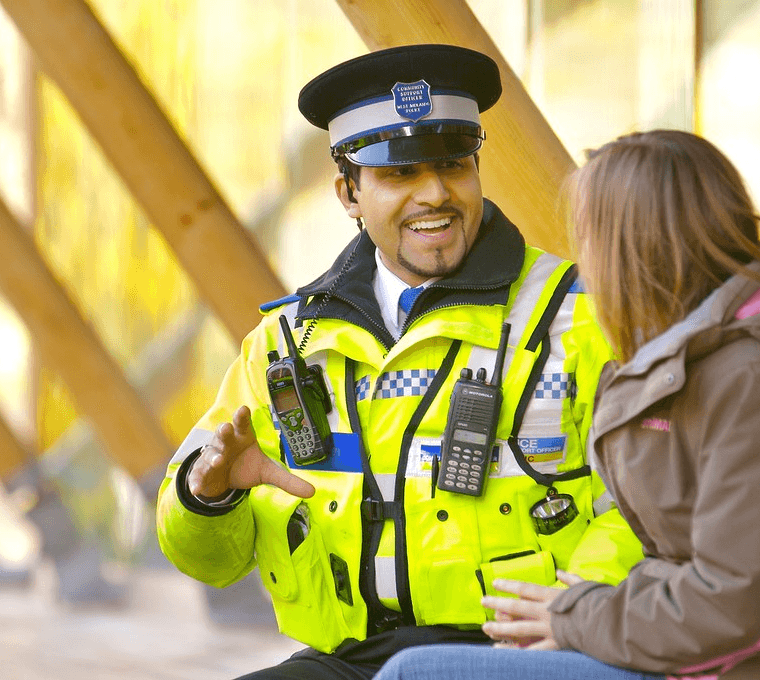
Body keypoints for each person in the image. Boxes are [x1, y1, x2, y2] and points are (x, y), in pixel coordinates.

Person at [155, 44, 644, 680]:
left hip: (530, 653)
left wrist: (576, 610)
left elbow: (652, 509)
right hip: (352, 659)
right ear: (349, 193)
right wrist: (209, 496)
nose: (435, 194)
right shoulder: (283, 343)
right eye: (400, 174)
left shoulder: (584, 317)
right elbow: (209, 562)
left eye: (454, 165)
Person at [371, 129, 760, 680]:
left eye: (589, 240)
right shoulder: (699, 360)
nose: (585, 265)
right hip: (716, 658)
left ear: (633, 249)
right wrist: (582, 614)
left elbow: (734, 605)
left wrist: (579, 618)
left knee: (417, 675)